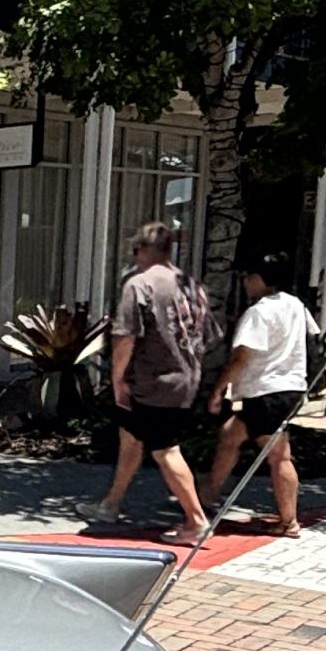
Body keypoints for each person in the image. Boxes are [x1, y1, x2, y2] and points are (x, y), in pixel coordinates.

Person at [91, 221, 213, 544]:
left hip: (153, 383)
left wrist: (117, 379)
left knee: (165, 450)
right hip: (185, 378)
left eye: (136, 250)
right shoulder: (192, 286)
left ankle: (197, 520)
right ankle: (110, 504)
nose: (135, 257)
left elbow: (125, 337)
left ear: (146, 250)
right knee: (131, 435)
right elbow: (209, 336)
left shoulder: (139, 284)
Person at [202, 251, 312, 536]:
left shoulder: (259, 313)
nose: (245, 281)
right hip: (288, 389)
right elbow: (311, 334)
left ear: (261, 279)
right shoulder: (295, 305)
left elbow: (241, 356)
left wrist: (219, 390)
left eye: (248, 276)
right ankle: (206, 498)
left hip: (264, 392)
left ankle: (289, 521)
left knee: (279, 455)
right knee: (230, 435)